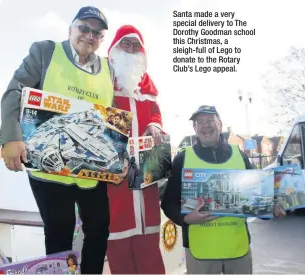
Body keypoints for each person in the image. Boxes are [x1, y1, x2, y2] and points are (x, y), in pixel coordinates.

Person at [0, 6, 116, 274]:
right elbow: (14, 91)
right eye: (84, 28)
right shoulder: (45, 52)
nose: (89, 35)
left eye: (97, 32)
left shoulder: (108, 70)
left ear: (102, 39)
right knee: (59, 235)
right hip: (50, 167)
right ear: (70, 29)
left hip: (90, 170)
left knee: (99, 230)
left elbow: (109, 122)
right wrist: (10, 138)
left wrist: (116, 158)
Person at [161, 105, 286, 274]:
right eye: (200, 122)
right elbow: (168, 203)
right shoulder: (183, 158)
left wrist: (271, 208)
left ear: (220, 124)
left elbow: (256, 198)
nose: (206, 125)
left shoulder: (240, 155)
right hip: (200, 252)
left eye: (210, 120)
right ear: (194, 128)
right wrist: (186, 219)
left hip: (237, 249)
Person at [105, 25, 166, 274]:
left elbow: (155, 113)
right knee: (119, 247)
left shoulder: (147, 89)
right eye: (125, 44)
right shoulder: (104, 83)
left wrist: (154, 125)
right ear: (115, 49)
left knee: (149, 249)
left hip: (146, 179)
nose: (131, 50)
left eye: (135, 45)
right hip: (116, 182)